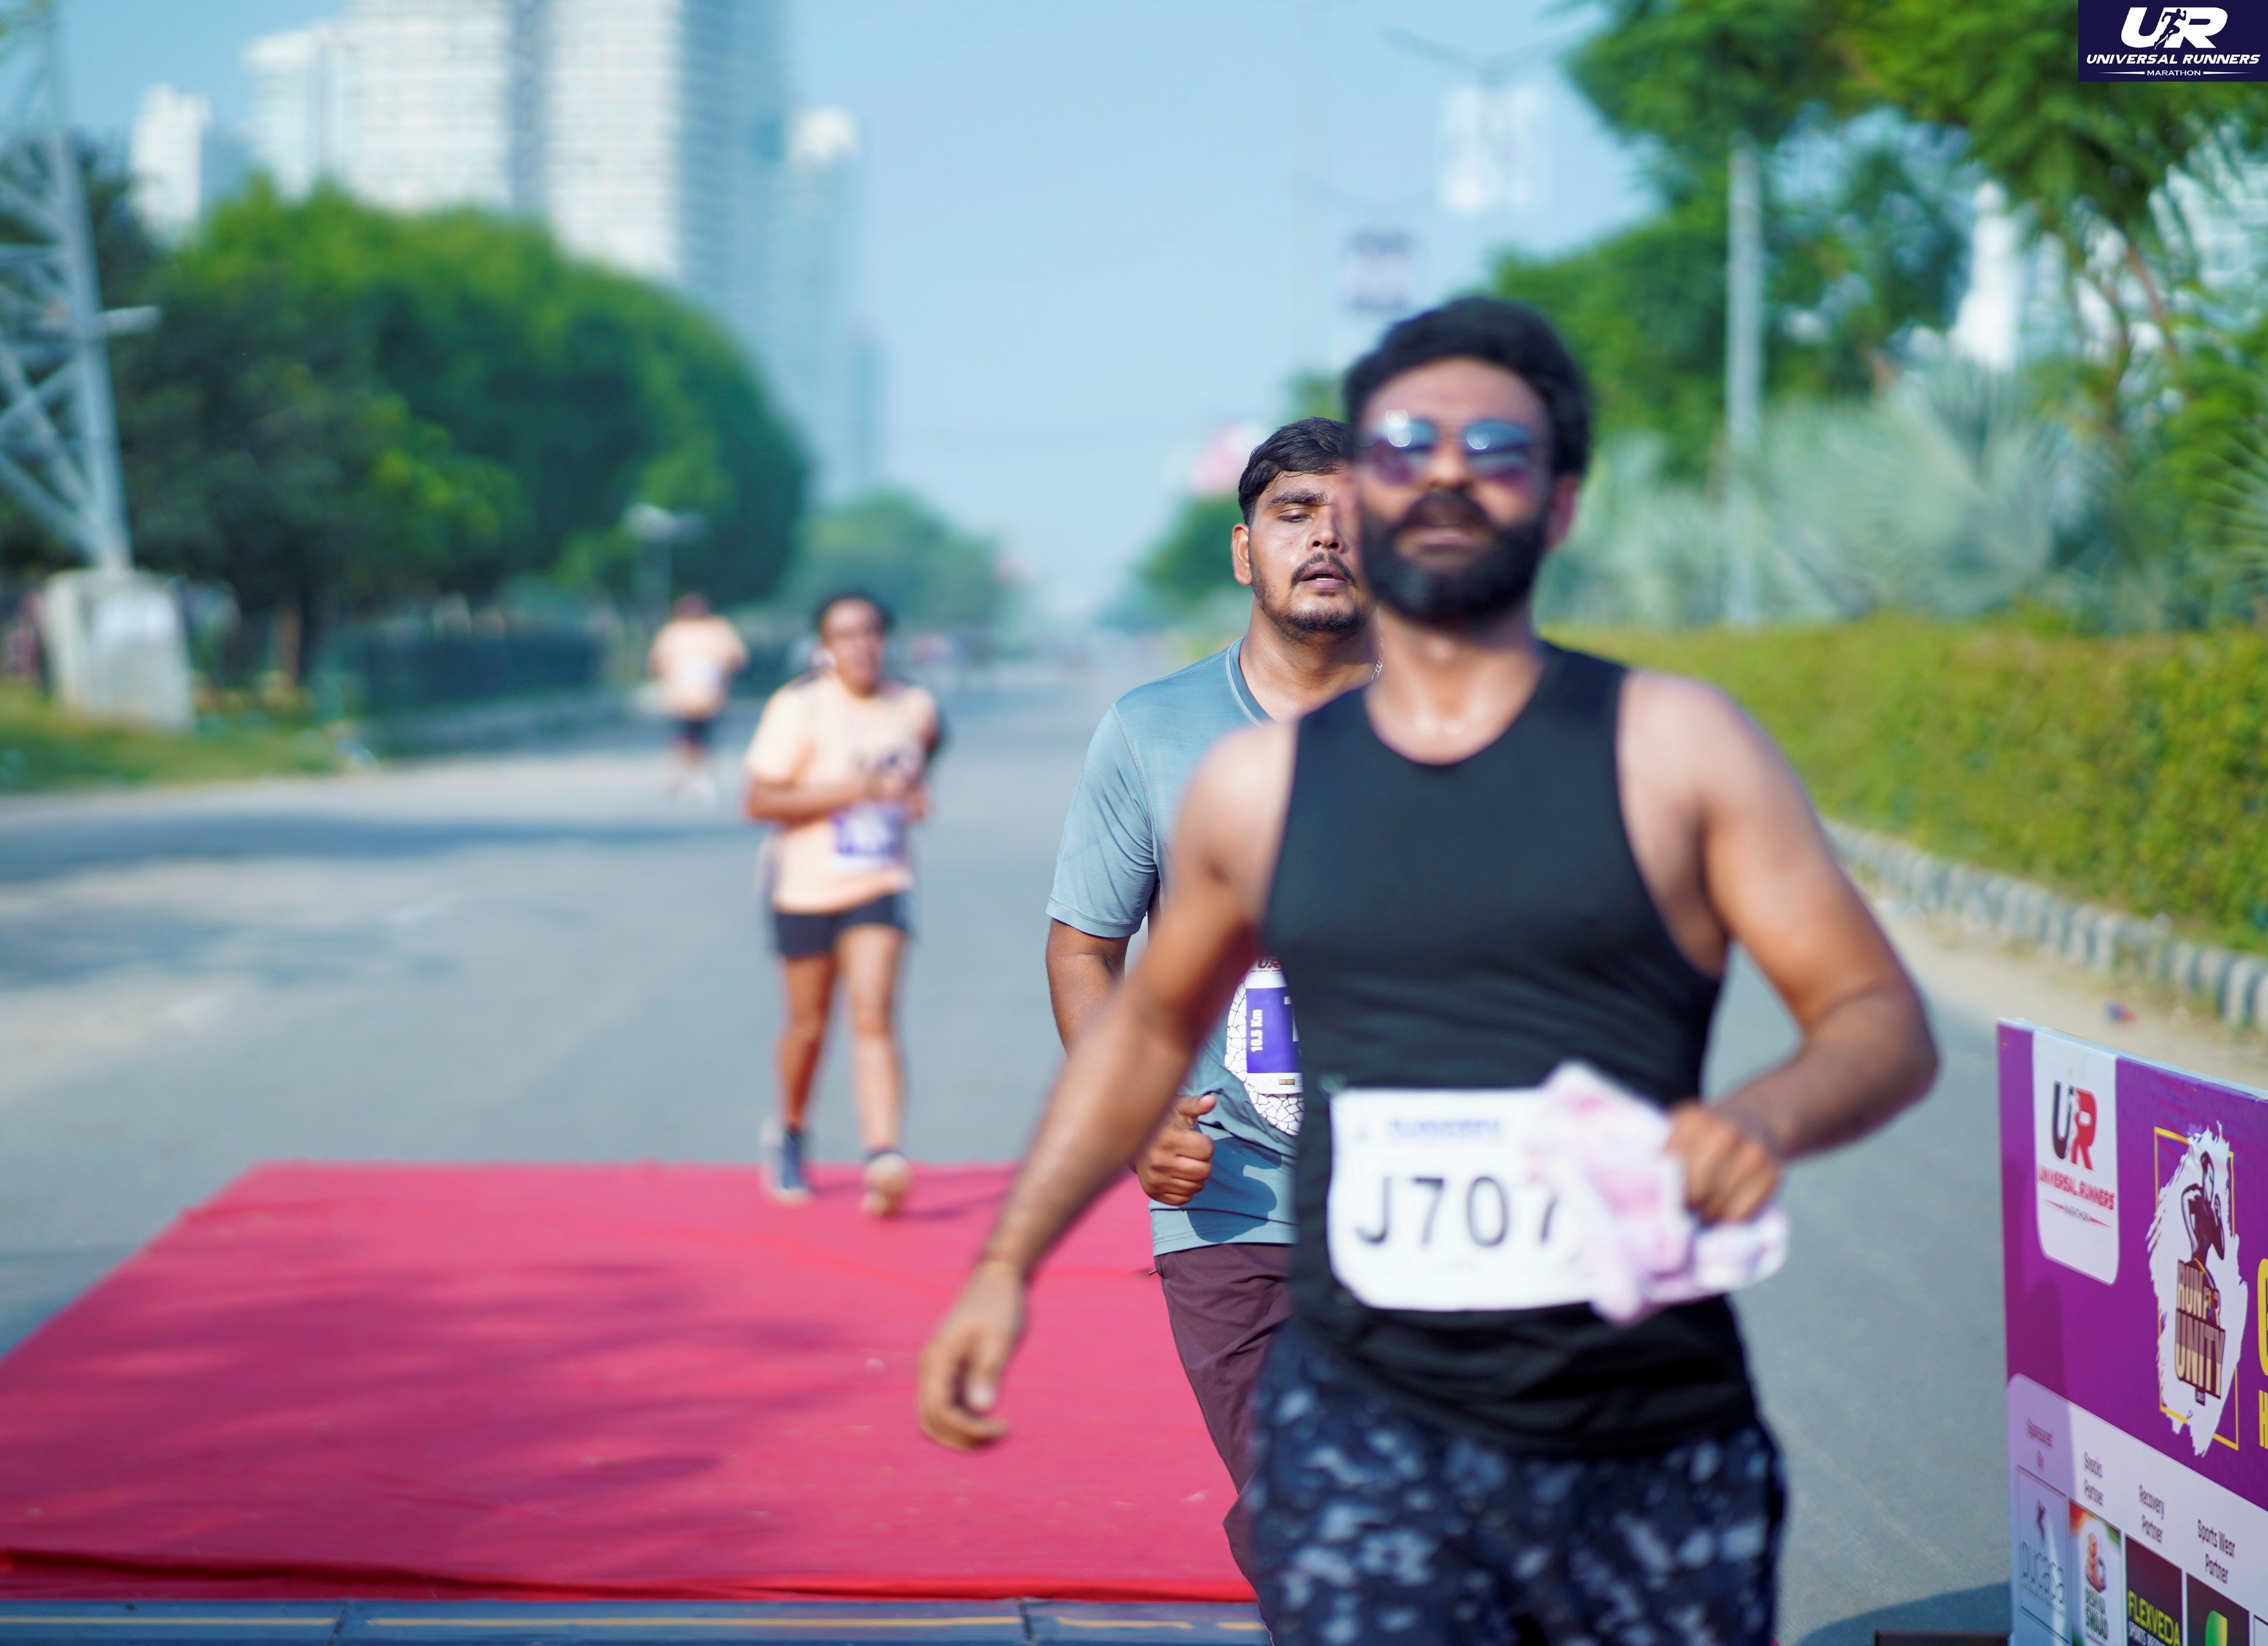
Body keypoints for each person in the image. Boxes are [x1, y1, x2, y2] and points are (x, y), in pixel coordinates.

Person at [919, 298, 1940, 1644]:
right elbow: (1144, 1023)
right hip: (1360, 1403)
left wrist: (1766, 1116)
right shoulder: (1249, 786)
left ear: (1558, 508)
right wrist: (1010, 1262)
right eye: (1410, 455)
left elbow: (1877, 1015)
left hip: (1638, 1416)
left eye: (1493, 455)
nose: (1439, 487)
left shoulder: (1676, 748)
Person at [1046, 417, 1372, 1578]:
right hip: (1234, 1207)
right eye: (1295, 514)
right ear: (1245, 551)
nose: (1326, 538)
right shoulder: (1152, 731)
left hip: (1436, 1207)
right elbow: (1084, 949)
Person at [745, 591, 941, 1217]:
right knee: (808, 1025)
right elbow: (759, 801)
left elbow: (920, 764)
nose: (861, 644)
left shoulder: (912, 705)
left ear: (886, 638)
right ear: (825, 646)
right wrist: (848, 791)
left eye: (870, 631)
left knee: (873, 1009)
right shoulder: (799, 706)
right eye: (845, 634)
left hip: (881, 880)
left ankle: (884, 1154)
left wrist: (912, 795)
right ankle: (789, 1131)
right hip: (804, 887)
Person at [647, 593, 748, 803]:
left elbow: (737, 657)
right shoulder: (674, 632)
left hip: (710, 697)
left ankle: (700, 775)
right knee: (685, 736)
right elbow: (658, 662)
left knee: (705, 738)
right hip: (681, 698)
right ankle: (682, 773)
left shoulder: (717, 630)